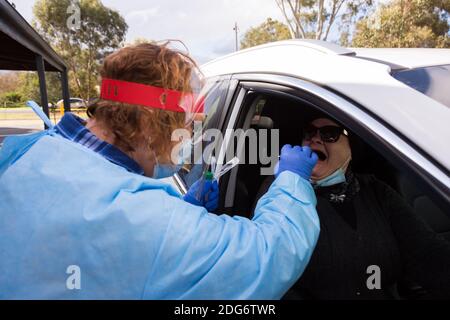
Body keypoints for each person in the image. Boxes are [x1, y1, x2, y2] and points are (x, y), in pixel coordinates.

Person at [0, 42, 320, 299]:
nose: (189, 138)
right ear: (153, 123)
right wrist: (291, 181)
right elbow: (268, 256)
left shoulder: (25, 151)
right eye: (185, 126)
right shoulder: (152, 223)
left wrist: (182, 213)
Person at [255, 115, 450, 299]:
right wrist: (291, 181)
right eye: (309, 132)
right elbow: (267, 268)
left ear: (351, 148)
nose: (315, 138)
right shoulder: (280, 192)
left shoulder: (376, 191)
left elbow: (429, 255)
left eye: (329, 133)